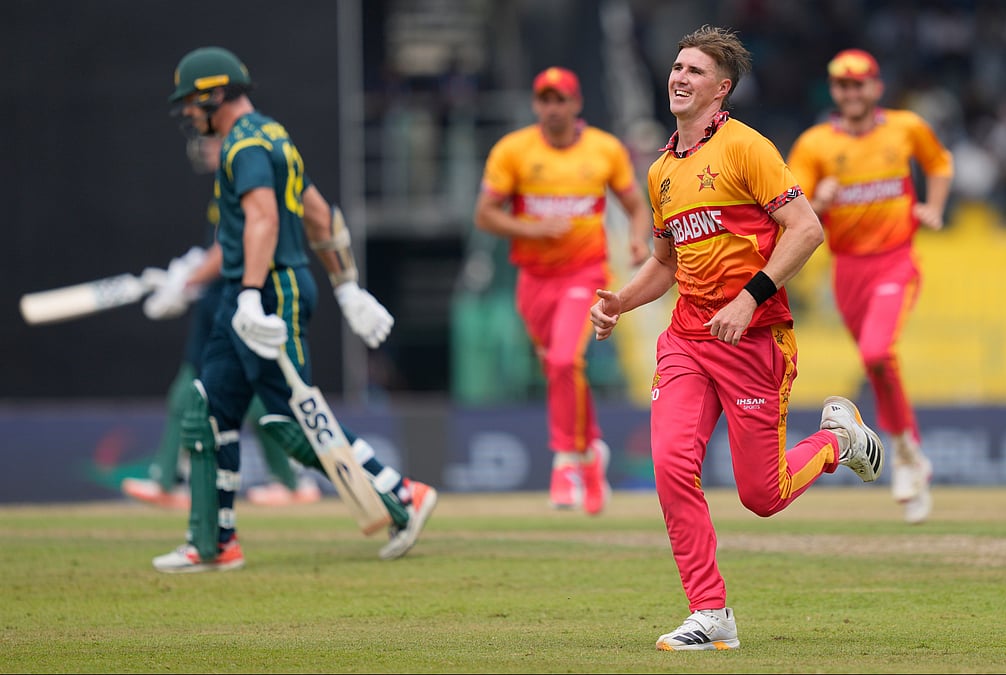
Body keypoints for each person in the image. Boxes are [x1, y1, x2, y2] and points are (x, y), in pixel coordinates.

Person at [589, 25, 883, 651]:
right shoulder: (662, 170)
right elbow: (667, 265)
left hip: (754, 338)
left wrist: (749, 301)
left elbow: (805, 230)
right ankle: (711, 613)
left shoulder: (748, 148)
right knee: (671, 467)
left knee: (762, 495)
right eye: (675, 67)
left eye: (693, 71)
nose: (678, 77)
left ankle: (837, 440)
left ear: (721, 89)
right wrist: (621, 299)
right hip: (689, 338)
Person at [151, 46, 437, 573]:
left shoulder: (243, 147)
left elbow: (262, 218)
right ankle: (213, 543)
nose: (188, 113)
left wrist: (249, 295)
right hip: (258, 291)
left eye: (192, 101)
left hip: (267, 293)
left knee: (288, 417)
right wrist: (348, 287)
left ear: (215, 93)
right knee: (208, 410)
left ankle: (402, 494)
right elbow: (320, 214)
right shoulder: (272, 135)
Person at [784, 48, 953, 525]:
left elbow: (939, 163)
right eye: (842, 85)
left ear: (876, 87)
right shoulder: (815, 143)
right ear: (833, 91)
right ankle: (912, 456)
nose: (851, 92)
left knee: (878, 353)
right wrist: (820, 198)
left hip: (895, 261)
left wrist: (935, 207)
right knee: (876, 364)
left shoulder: (905, 128)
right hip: (847, 269)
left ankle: (902, 452)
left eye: (859, 84)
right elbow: (791, 209)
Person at [473, 66, 652, 515]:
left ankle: (567, 461)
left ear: (576, 105)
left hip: (584, 274)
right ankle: (592, 453)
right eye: (544, 100)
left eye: (560, 100)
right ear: (536, 105)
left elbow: (636, 206)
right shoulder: (514, 151)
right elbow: (485, 215)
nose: (552, 108)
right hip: (533, 279)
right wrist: (530, 228)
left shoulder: (604, 149)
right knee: (560, 370)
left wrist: (636, 239)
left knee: (563, 360)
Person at [121, 136, 321, 511]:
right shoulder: (228, 183)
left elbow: (236, 246)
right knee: (204, 390)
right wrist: (191, 270)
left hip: (244, 298)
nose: (206, 150)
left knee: (254, 397)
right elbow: (220, 245)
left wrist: (188, 280)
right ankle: (171, 478)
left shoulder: (248, 172)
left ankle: (293, 480)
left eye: (212, 143)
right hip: (226, 298)